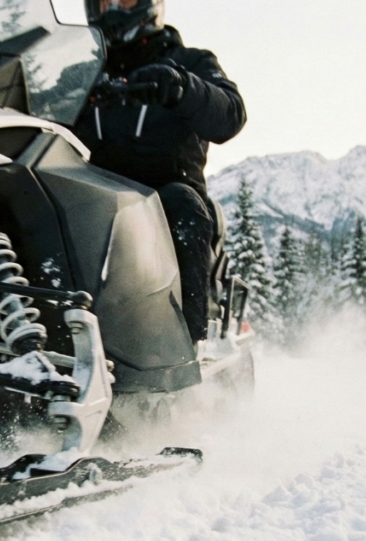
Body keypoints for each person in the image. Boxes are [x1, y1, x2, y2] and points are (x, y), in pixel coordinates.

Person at [76, 0, 246, 342]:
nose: (112, 9)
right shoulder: (81, 72)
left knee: (180, 204)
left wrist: (183, 88)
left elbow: (230, 114)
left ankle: (184, 346)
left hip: (162, 194)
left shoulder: (190, 62)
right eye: (104, 1)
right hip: (87, 194)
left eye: (122, 0)